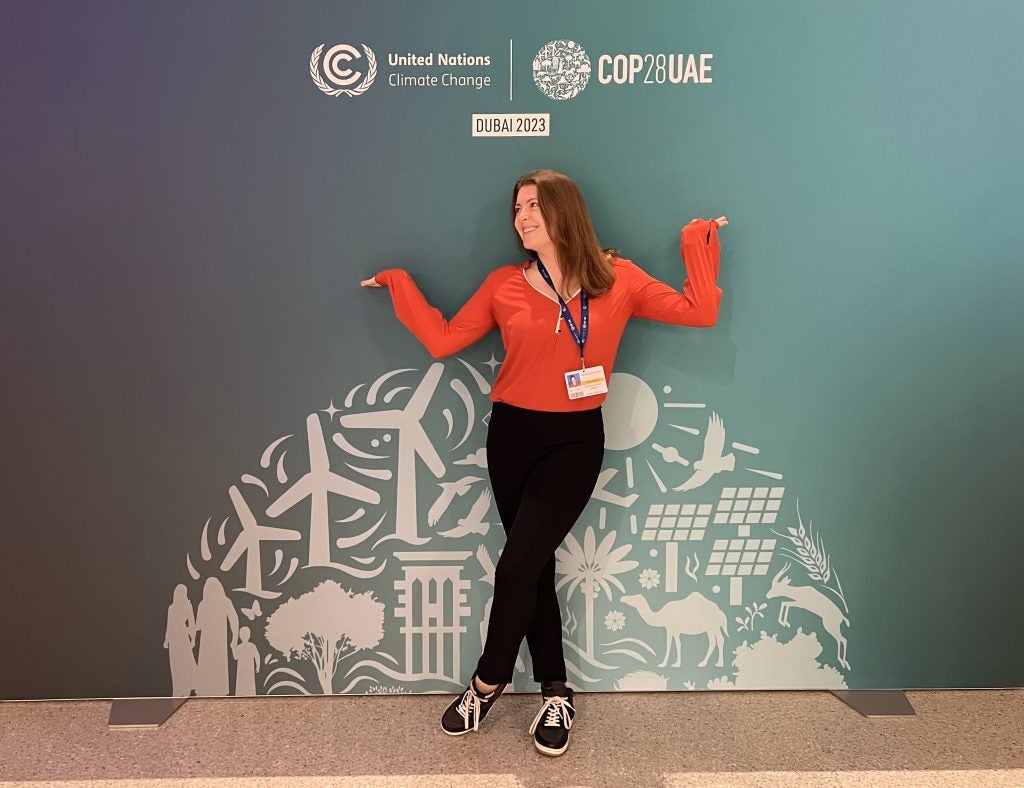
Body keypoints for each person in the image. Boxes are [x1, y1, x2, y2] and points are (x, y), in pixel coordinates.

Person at [361, 168, 726, 756]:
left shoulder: (618, 278)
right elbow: (444, 339)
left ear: (565, 212)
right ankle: (557, 690)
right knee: (532, 567)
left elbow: (698, 311)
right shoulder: (504, 285)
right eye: (517, 209)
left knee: (516, 566)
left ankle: (486, 682)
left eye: (534, 206)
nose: (522, 218)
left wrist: (698, 243)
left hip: (574, 442)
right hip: (511, 437)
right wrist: (400, 283)